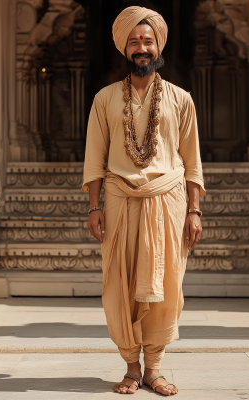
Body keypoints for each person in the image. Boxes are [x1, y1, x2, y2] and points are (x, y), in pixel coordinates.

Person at [82, 6, 205, 396]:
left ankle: (154, 369)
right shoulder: (104, 99)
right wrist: (94, 205)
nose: (142, 48)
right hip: (118, 200)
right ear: (125, 47)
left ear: (158, 46)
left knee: (167, 288)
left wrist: (195, 210)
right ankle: (131, 368)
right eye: (134, 41)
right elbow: (95, 158)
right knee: (119, 288)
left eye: (148, 41)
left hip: (167, 202)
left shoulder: (181, 99)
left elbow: (191, 160)